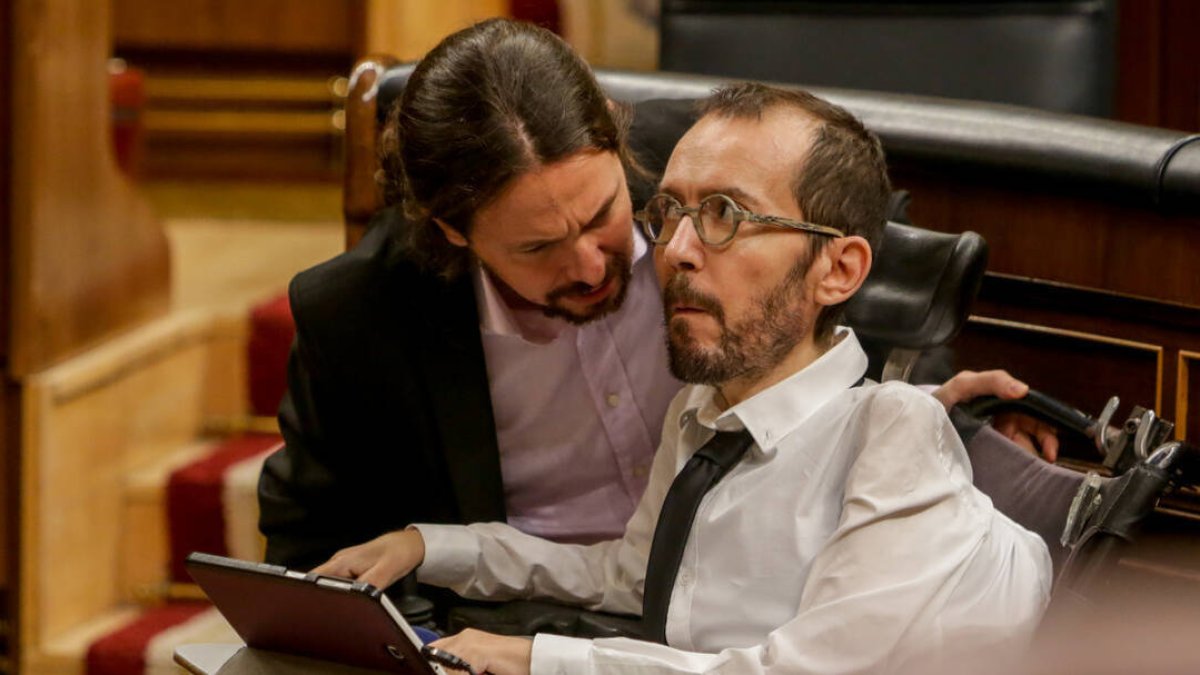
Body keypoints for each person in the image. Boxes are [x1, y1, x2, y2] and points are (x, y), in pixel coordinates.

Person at [257, 17, 1057, 572]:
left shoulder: (712, 168)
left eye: (603, 213)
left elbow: (857, 257)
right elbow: (306, 541)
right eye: (537, 246)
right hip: (519, 605)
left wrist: (926, 403)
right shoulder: (359, 314)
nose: (590, 264)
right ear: (452, 229)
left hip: (760, 584)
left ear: (614, 136)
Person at [314, 82, 1051, 674]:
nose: (676, 251)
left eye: (726, 213)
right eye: (669, 211)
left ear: (840, 269)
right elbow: (636, 574)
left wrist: (535, 658)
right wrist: (427, 545)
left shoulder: (895, 430)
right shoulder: (701, 413)